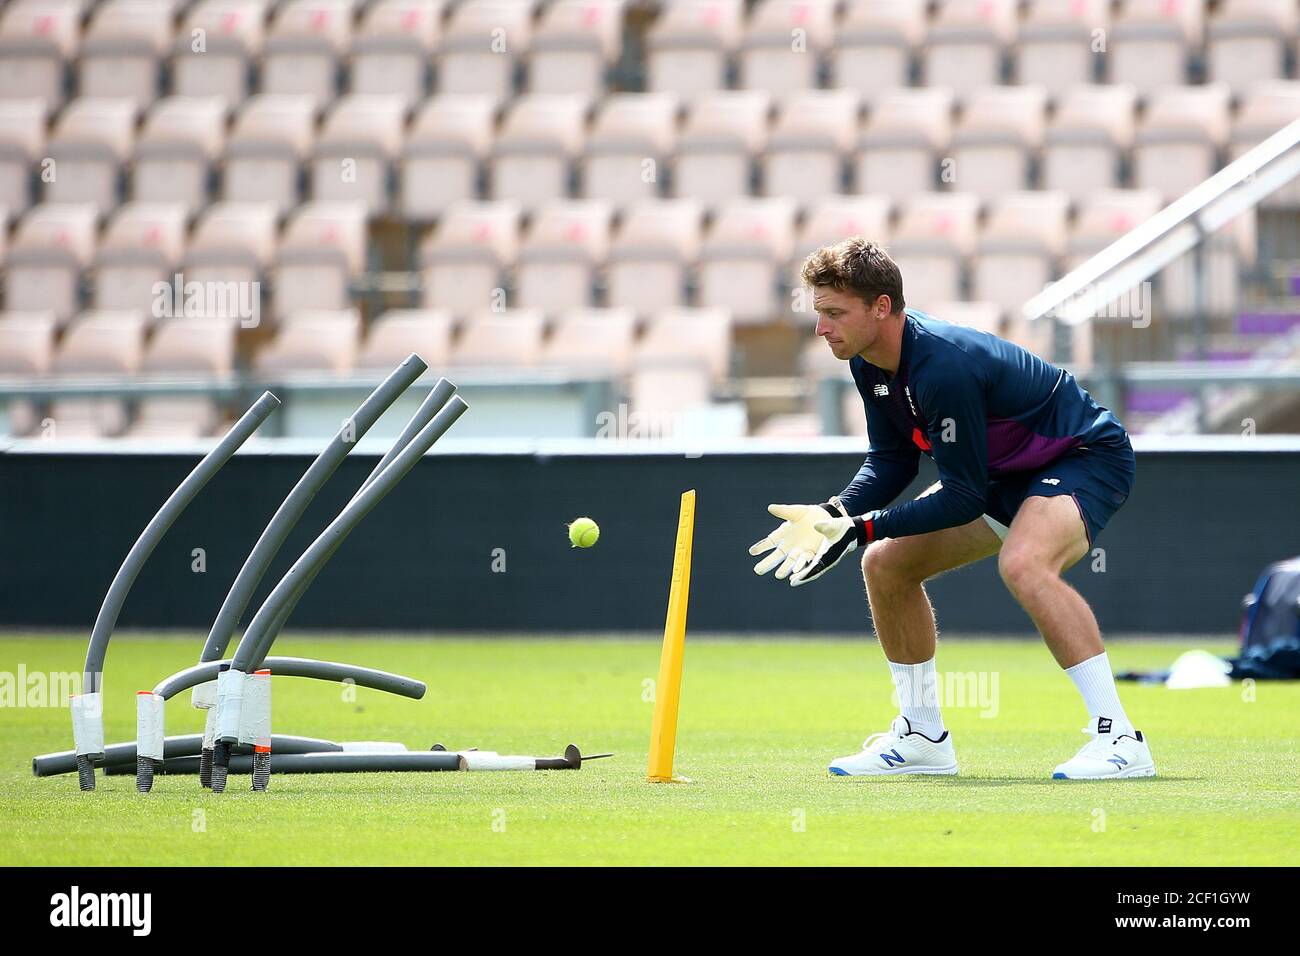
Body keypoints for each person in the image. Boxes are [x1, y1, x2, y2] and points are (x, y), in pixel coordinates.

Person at [750, 237, 1154, 780]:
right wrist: (836, 512)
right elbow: (892, 460)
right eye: (819, 312)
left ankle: (1120, 739)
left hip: (1082, 455)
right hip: (999, 472)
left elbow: (961, 497)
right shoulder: (868, 361)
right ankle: (922, 738)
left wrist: (859, 527)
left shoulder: (943, 365)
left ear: (882, 307)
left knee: (1024, 564)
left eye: (833, 313)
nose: (821, 327)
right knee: (885, 564)